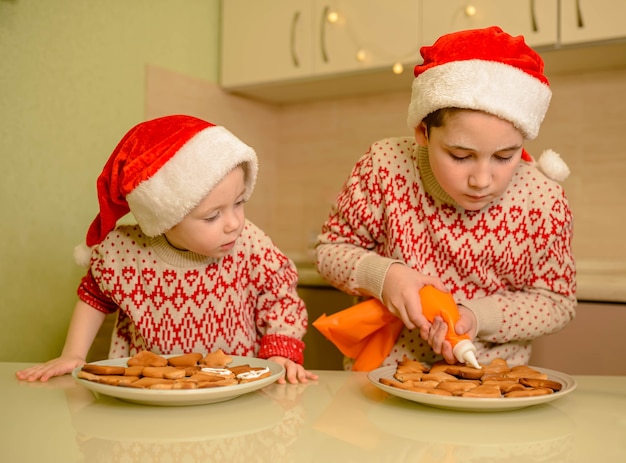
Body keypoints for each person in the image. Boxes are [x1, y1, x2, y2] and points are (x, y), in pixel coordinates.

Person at [314, 26, 576, 369]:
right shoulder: (385, 166)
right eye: (460, 156)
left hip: (493, 383)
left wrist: (476, 316)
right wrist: (385, 276)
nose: (482, 180)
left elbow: (557, 302)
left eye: (504, 156)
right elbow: (329, 252)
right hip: (383, 376)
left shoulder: (543, 200)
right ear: (423, 132)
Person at [17, 114, 317, 384]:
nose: (234, 223)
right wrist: (73, 354)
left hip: (234, 387)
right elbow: (94, 297)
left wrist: (281, 351)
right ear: (165, 219)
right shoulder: (125, 252)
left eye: (239, 202)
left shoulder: (249, 242)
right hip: (151, 389)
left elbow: (280, 295)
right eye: (213, 216)